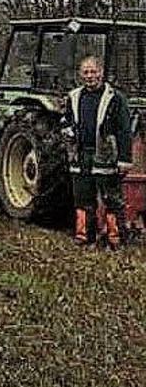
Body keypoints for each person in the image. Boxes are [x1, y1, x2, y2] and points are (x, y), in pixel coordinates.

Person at [63, 56, 133, 249]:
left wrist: (125, 159)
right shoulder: (74, 96)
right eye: (85, 72)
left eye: (93, 72)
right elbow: (66, 120)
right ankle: (85, 237)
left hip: (106, 155)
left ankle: (115, 239)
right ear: (80, 74)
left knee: (111, 199)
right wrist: (68, 132)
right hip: (81, 154)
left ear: (101, 72)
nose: (90, 76)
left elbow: (124, 130)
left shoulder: (115, 98)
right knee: (82, 198)